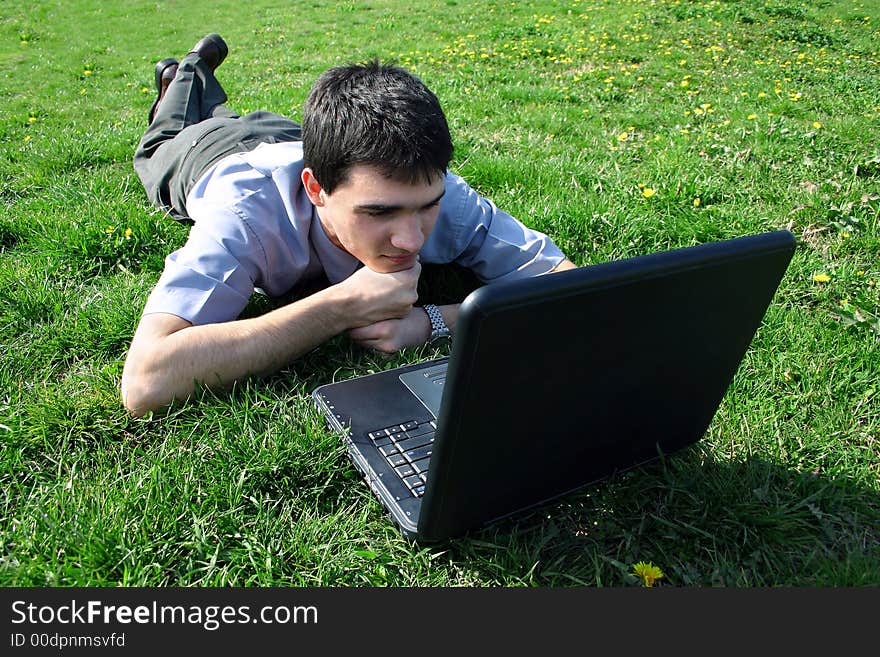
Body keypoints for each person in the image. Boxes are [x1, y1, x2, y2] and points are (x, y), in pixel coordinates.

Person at [121, 34, 576, 417]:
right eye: (379, 213)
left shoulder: (444, 195)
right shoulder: (244, 214)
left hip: (285, 134)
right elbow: (146, 381)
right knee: (166, 134)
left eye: (425, 207)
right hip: (204, 154)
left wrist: (434, 322)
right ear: (316, 189)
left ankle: (202, 88)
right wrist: (343, 305)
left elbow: (571, 290)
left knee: (235, 116)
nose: (412, 239)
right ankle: (184, 75)